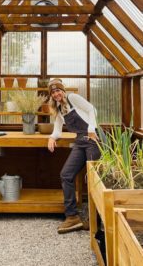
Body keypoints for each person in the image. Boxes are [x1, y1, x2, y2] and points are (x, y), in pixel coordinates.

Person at [47, 79, 101, 234]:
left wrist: (91, 129)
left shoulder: (72, 98)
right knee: (66, 174)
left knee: (94, 181)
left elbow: (92, 110)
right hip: (80, 141)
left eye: (58, 91)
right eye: (53, 92)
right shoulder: (58, 108)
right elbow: (57, 129)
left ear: (63, 90)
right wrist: (52, 137)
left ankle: (95, 220)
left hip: (93, 140)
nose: (56, 94)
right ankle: (72, 217)